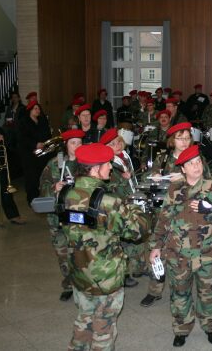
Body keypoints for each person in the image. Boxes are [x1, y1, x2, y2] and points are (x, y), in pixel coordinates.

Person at [63, 143, 150, 351]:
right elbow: (137, 231)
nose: (111, 167)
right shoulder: (108, 201)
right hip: (106, 275)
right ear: (95, 169)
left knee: (84, 318)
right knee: (104, 327)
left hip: (79, 271)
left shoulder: (66, 194)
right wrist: (138, 210)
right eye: (107, 164)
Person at [149, 145, 212, 347]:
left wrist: (211, 210)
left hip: (208, 253)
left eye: (198, 162)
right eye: (191, 164)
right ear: (183, 169)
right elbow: (164, 219)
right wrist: (156, 246)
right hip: (178, 254)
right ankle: (182, 328)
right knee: (180, 293)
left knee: (208, 293)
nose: (196, 166)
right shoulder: (174, 189)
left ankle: (210, 326)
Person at [140, 122, 212, 309]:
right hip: (166, 212)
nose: (184, 142)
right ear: (172, 140)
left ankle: (189, 287)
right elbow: (148, 178)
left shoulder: (197, 158)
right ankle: (154, 290)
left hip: (190, 214)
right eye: (180, 138)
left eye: (187, 138)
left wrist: (185, 178)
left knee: (189, 252)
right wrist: (155, 177)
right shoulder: (163, 159)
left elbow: (208, 183)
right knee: (157, 250)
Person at [38, 129, 85, 302]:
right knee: (63, 253)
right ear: (66, 145)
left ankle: (84, 285)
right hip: (58, 218)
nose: (77, 146)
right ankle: (69, 285)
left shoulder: (86, 163)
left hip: (79, 216)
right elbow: (42, 188)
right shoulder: (54, 164)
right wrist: (54, 188)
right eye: (73, 143)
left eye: (79, 143)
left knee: (81, 253)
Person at [99, 128, 142, 288]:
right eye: (112, 144)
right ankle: (123, 274)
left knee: (135, 237)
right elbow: (107, 187)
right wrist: (124, 180)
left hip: (131, 200)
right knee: (121, 241)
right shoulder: (108, 163)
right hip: (118, 205)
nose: (117, 145)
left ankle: (138, 267)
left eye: (118, 142)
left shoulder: (125, 156)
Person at [18, 100, 52, 206]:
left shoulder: (42, 120)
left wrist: (44, 144)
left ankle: (43, 197)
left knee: (42, 176)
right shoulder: (23, 122)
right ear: (30, 110)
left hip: (42, 153)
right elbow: (22, 138)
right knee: (31, 178)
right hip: (29, 154)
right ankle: (32, 200)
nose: (38, 110)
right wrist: (35, 144)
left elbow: (47, 134)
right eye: (35, 109)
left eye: (38, 108)